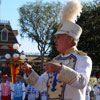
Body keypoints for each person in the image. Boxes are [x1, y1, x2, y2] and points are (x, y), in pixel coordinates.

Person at [20, 0, 92, 100]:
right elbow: (40, 85)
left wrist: (60, 69)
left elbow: (82, 82)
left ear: (69, 39)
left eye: (58, 37)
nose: (55, 40)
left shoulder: (83, 59)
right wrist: (29, 72)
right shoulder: (55, 61)